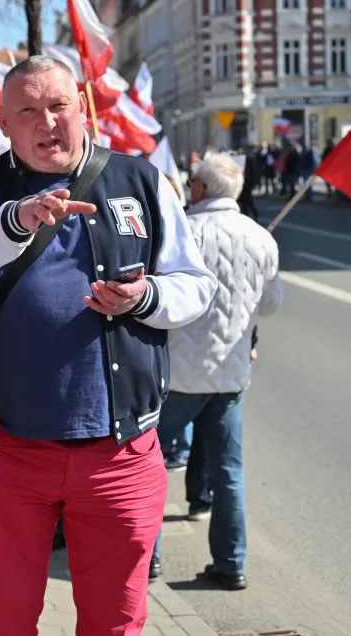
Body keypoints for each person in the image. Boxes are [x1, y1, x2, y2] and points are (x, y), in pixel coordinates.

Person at [0, 56, 217, 633]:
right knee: (4, 620)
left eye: (59, 106)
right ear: (5, 123)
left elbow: (196, 286)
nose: (47, 123)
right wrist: (15, 221)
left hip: (121, 452)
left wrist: (144, 298)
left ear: (81, 108)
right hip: (9, 450)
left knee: (115, 622)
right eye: (28, 111)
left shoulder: (139, 180)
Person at [152, 152, 283, 591]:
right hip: (229, 376)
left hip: (178, 376)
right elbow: (271, 304)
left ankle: (147, 557)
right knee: (228, 474)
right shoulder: (261, 237)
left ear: (201, 189)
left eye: (193, 183)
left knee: (147, 467)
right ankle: (231, 564)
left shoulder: (180, 231)